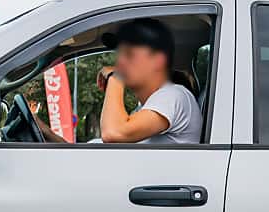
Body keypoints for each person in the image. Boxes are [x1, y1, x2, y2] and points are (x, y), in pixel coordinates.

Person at [39, 18, 199, 145]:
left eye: (130, 53)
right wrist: (46, 132)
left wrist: (116, 78)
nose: (120, 61)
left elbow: (113, 134)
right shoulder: (144, 109)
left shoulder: (173, 95)